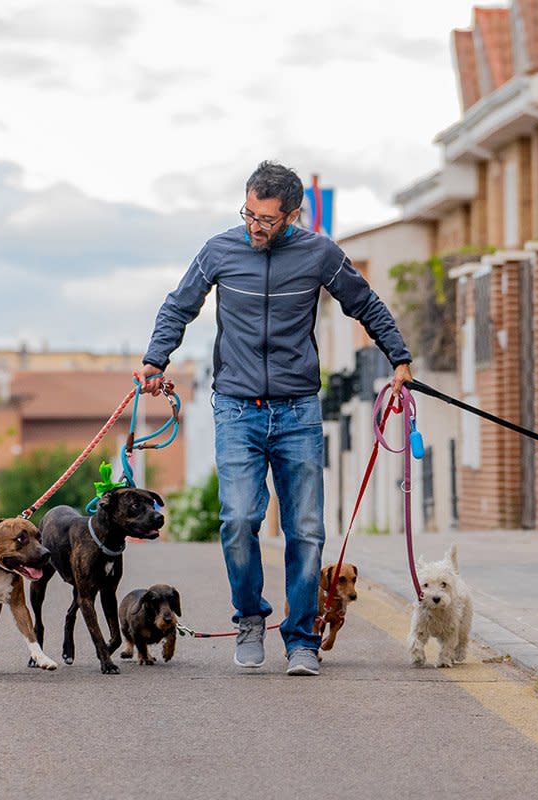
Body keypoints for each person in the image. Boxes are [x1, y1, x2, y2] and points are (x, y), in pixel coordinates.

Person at [136, 161, 413, 676]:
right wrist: (157, 359)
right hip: (236, 408)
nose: (255, 226)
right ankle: (248, 618)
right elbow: (179, 306)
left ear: (291, 214)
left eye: (266, 218)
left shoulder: (319, 254)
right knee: (239, 519)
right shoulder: (219, 250)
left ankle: (302, 638)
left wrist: (398, 358)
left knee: (305, 530)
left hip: (298, 410)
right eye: (249, 213)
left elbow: (365, 304)